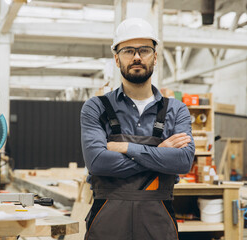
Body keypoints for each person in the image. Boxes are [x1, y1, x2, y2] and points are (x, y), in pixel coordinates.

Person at [80, 18, 195, 240]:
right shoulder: (96, 107)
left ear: (155, 56)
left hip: (158, 223)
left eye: (144, 50)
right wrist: (160, 152)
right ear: (116, 58)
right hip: (107, 222)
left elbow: (182, 162)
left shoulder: (176, 109)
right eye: (128, 50)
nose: (136, 57)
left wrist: (126, 148)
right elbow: (96, 162)